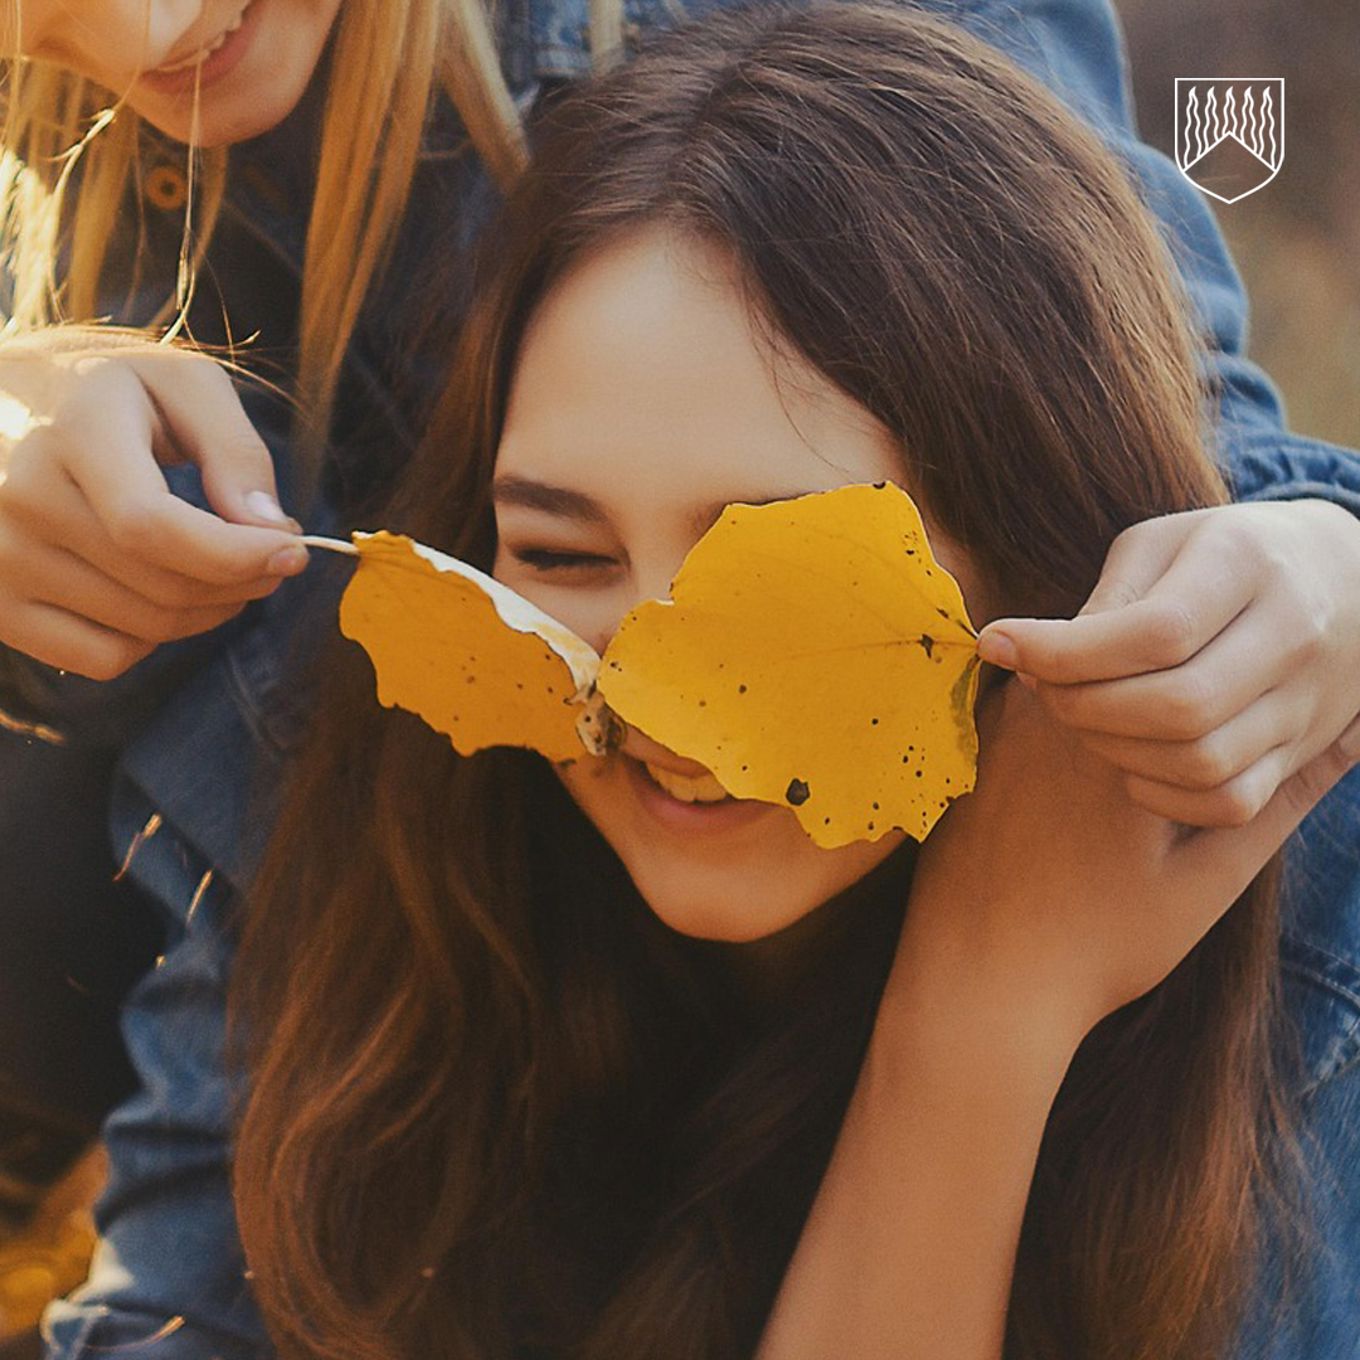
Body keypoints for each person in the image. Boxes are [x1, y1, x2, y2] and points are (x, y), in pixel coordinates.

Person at [38, 5, 1360, 1356]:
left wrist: (986, 1014)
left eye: (771, 567)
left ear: (1029, 552)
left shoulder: (1292, 919)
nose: (651, 697)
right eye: (561, 552)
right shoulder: (401, 871)